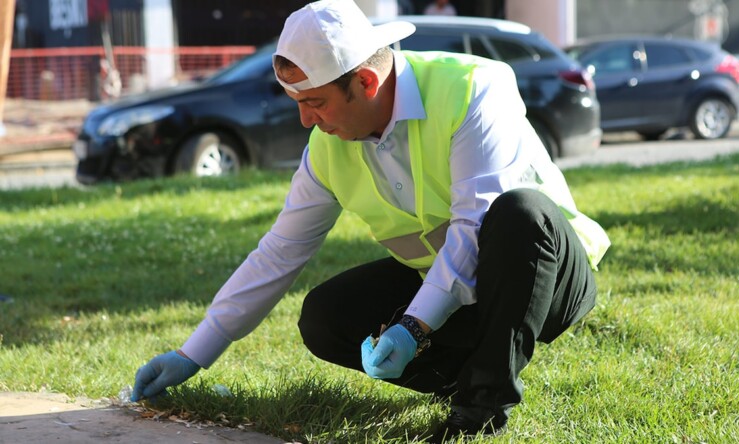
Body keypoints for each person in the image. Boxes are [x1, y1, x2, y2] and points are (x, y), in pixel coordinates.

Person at [131, 0, 610, 441]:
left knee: (517, 213)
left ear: (365, 82)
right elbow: (281, 249)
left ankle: (481, 405)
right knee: (325, 317)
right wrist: (194, 352)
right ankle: (467, 373)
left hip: (547, 278)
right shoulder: (326, 148)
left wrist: (414, 326)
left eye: (314, 102)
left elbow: (475, 225)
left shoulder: (472, 88)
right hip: (457, 291)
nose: (304, 120)